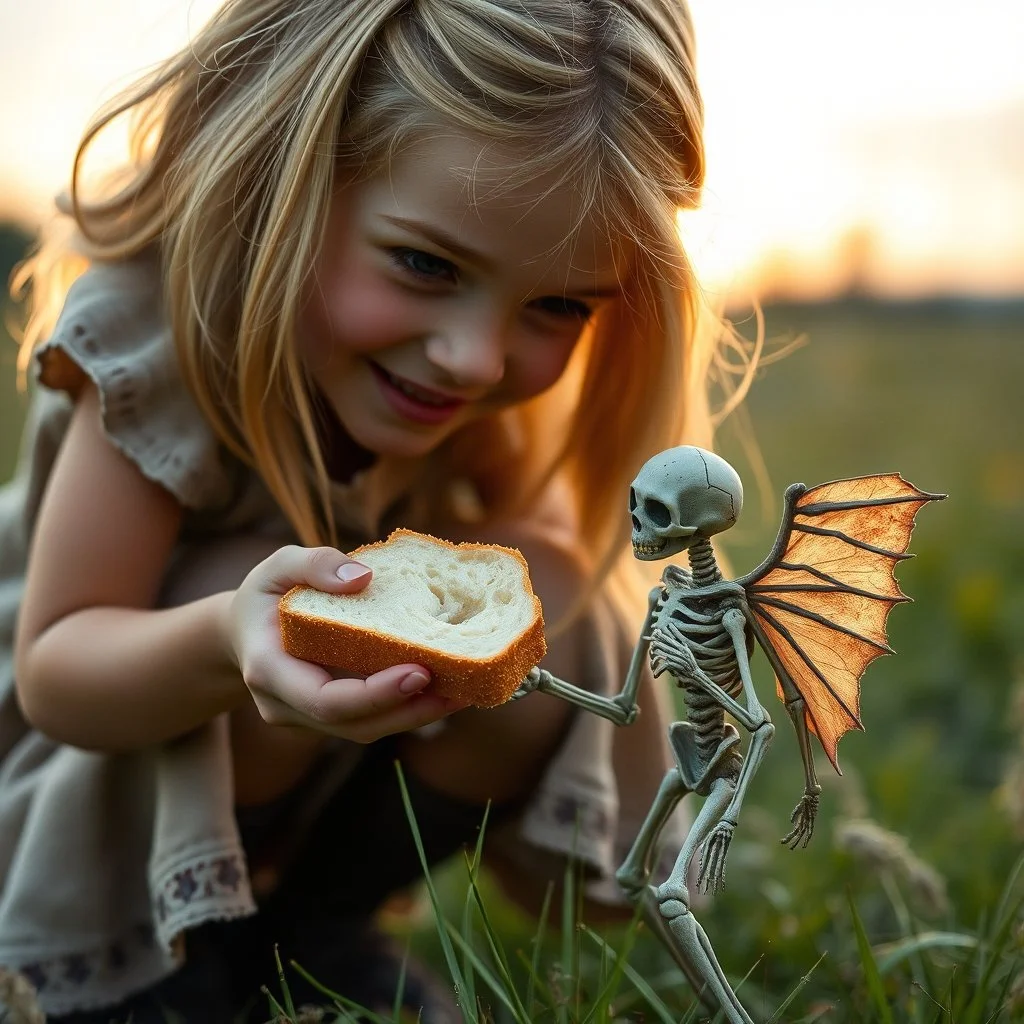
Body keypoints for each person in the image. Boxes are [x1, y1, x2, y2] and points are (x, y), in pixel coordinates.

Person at [0, 0, 750, 1020]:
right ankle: (173, 960)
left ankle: (305, 934)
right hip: (70, 782)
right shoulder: (160, 346)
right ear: (288, 178)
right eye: (425, 266)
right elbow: (57, 673)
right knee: (261, 582)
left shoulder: (462, 399)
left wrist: (531, 585)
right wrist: (230, 637)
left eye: (558, 305)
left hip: (262, 798)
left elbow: (560, 551)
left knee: (549, 626)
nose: (474, 356)